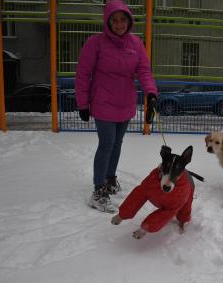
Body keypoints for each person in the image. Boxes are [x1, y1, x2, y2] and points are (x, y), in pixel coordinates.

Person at [75, 0, 158, 213]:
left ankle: (110, 179)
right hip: (103, 102)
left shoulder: (136, 44)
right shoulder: (95, 43)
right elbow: (83, 74)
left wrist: (151, 93)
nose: (119, 24)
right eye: (114, 20)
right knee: (107, 144)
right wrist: (82, 103)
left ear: (129, 21)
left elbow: (145, 71)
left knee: (117, 143)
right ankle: (98, 190)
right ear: (108, 22)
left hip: (126, 102)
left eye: (123, 20)